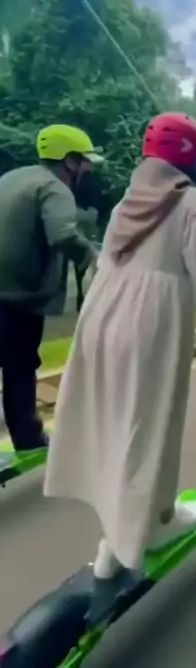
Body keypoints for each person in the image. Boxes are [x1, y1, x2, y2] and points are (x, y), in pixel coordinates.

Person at [44, 112, 196, 580]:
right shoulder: (193, 202)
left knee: (113, 424)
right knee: (149, 427)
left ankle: (115, 536)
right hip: (146, 325)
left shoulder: (128, 202)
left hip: (100, 318)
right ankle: (151, 527)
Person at [0, 124, 99, 452]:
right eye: (84, 161)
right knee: (20, 366)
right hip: (18, 297)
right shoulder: (55, 188)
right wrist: (91, 257)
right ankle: (28, 438)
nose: (88, 169)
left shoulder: (13, 178)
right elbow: (63, 235)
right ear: (69, 161)